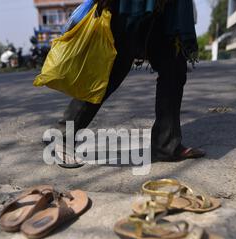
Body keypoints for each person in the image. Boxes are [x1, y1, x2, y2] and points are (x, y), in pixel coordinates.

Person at [55, 0, 205, 168]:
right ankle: (63, 137)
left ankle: (166, 145)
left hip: (168, 7)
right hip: (131, 5)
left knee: (174, 67)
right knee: (112, 69)